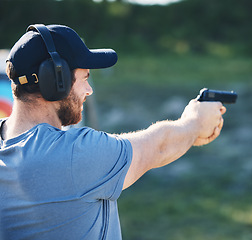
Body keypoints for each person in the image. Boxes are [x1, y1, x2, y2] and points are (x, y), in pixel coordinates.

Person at [0, 24, 226, 240]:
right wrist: (196, 121)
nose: (89, 90)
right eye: (85, 78)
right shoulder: (71, 154)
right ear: (56, 79)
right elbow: (160, 146)